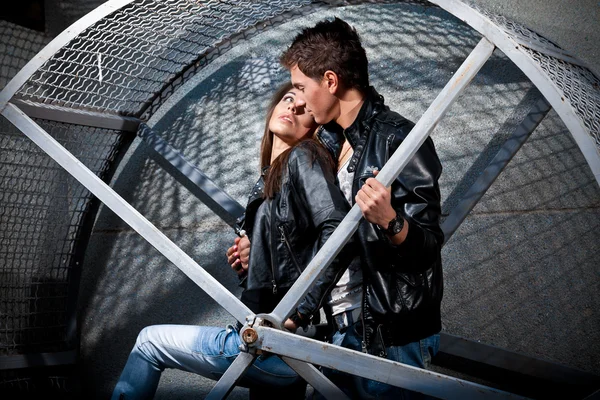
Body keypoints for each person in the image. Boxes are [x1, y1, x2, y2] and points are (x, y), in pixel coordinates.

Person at [111, 82, 350, 399]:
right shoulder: (273, 176)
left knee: (150, 341)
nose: (293, 107)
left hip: (270, 341)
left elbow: (336, 225)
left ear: (314, 124)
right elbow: (293, 252)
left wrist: (295, 316)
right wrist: (253, 256)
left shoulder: (304, 156)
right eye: (289, 99)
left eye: (305, 107)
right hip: (274, 342)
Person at [278, 17, 444, 399]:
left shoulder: (398, 139)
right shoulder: (332, 142)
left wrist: (391, 221)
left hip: (391, 334)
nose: (298, 100)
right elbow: (336, 242)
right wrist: (297, 311)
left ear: (331, 82)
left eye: (302, 87)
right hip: (343, 328)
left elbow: (429, 246)